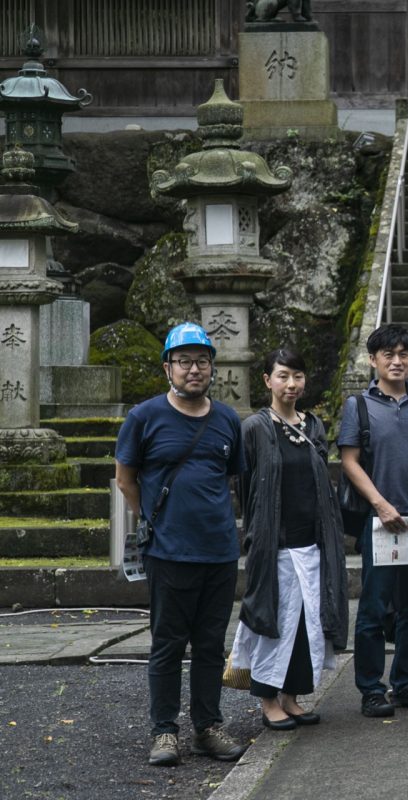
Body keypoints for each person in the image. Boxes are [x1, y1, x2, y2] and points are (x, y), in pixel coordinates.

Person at [114, 322, 248, 766]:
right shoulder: (145, 417)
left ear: (212, 366)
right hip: (169, 551)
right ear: (168, 367)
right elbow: (125, 479)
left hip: (219, 550)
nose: (195, 369)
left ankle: (208, 727)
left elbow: (232, 476)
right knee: (168, 643)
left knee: (211, 644)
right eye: (185, 361)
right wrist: (154, 520)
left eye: (203, 361)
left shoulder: (228, 419)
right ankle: (164, 731)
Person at [232, 349, 349, 731]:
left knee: (307, 621)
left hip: (311, 541)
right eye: (282, 376)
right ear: (267, 380)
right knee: (275, 620)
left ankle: (292, 696)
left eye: (297, 376)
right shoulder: (254, 428)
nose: (291, 384)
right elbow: (245, 486)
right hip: (275, 543)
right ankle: (267, 698)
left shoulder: (313, 425)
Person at [338, 324, 408, 717]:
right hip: (379, 522)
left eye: (404, 354)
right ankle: (370, 688)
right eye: (388, 355)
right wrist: (380, 505)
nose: (397, 361)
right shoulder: (359, 405)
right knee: (374, 607)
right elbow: (349, 460)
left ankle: (406, 682)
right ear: (373, 360)